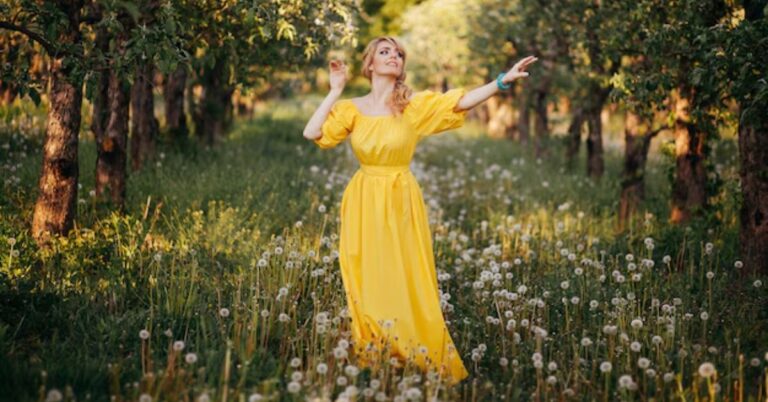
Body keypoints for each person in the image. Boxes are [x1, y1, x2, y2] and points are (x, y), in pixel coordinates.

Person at [302, 35, 537, 385]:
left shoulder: (412, 106)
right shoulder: (352, 108)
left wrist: (502, 80)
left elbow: (459, 103)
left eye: (398, 53)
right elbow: (312, 132)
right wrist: (335, 90)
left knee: (405, 275)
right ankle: (377, 353)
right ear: (370, 65)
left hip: (400, 198)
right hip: (364, 199)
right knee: (367, 277)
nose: (393, 56)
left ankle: (414, 349)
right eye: (385, 52)